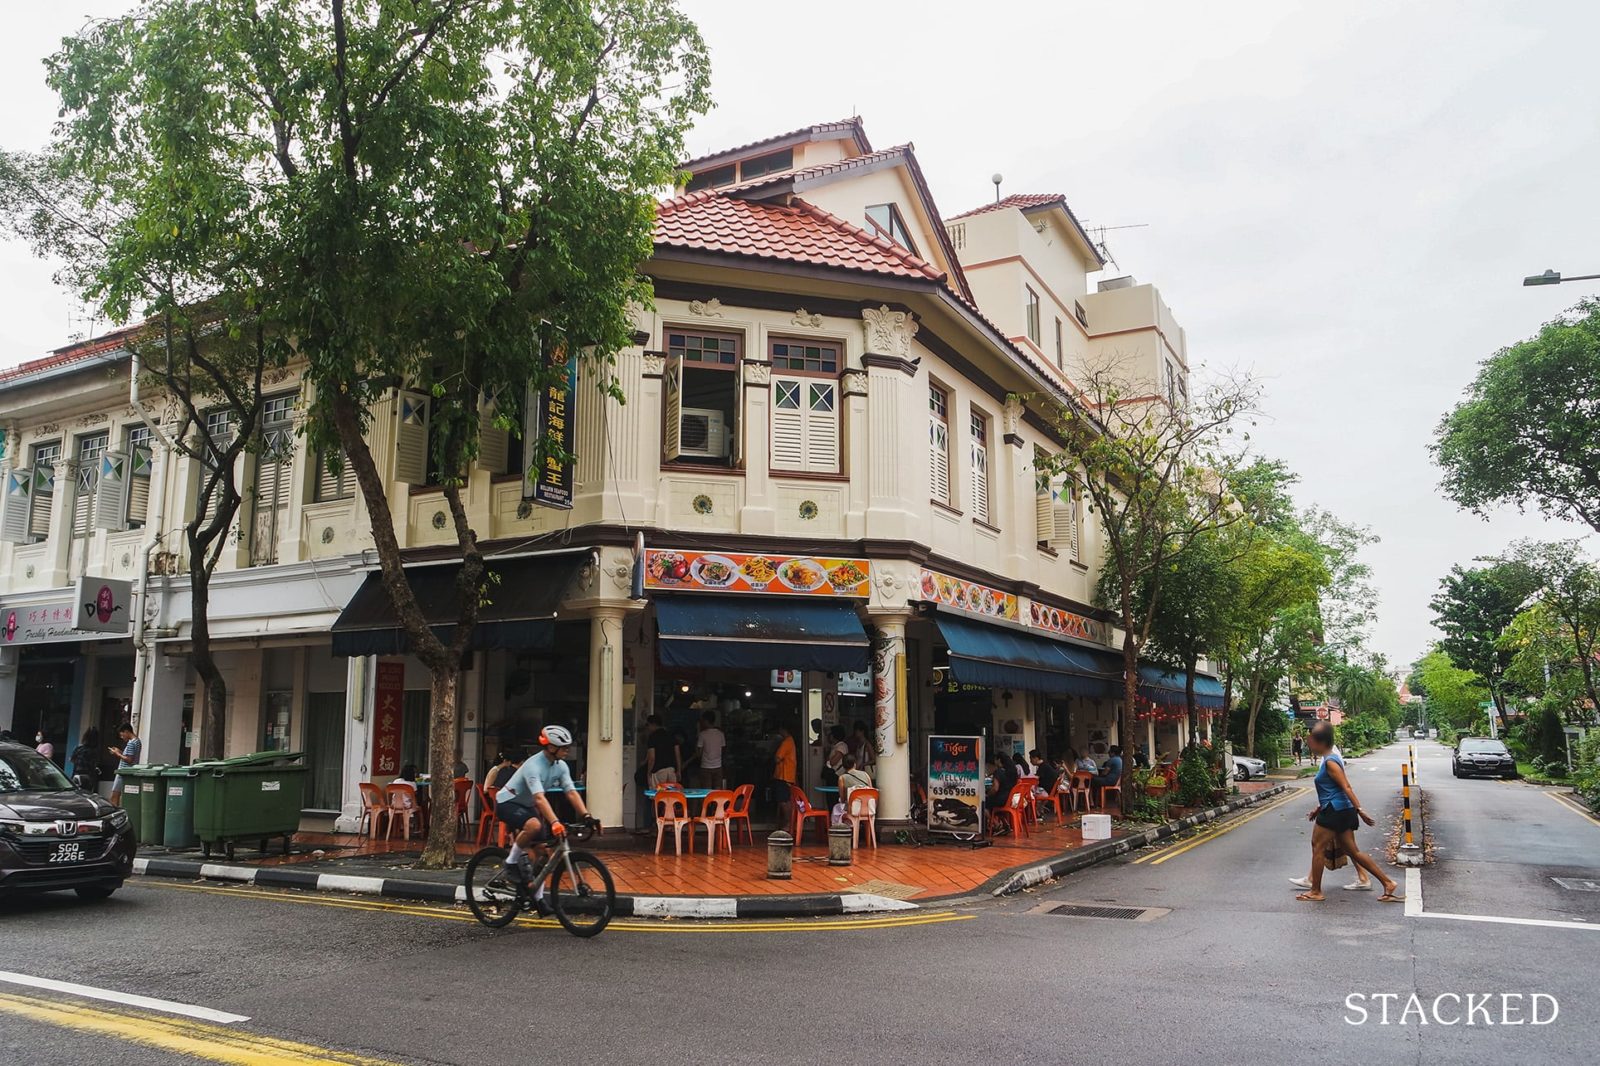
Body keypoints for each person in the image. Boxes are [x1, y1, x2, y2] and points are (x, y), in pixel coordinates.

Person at [1292, 722, 1401, 904]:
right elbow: (1333, 789)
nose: (1309, 745)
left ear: (1322, 743)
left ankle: (1316, 891)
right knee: (1353, 852)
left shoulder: (1331, 762)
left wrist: (1360, 809)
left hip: (1335, 811)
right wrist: (1318, 809)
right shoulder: (1330, 759)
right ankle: (1388, 883)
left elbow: (1346, 786)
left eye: (1312, 741)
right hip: (1340, 809)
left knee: (1317, 847)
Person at [493, 725, 594, 915]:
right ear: (551, 747)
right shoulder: (533, 765)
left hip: (527, 805)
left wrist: (587, 815)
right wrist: (555, 822)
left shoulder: (560, 766)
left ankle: (537, 899)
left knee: (543, 852)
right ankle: (511, 862)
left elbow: (571, 792)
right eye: (563, 747)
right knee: (534, 824)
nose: (567, 751)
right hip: (507, 802)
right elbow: (540, 798)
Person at [109, 722, 142, 807]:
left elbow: (129, 759)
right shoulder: (137, 741)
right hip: (130, 771)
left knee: (114, 797)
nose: (122, 737)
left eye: (122, 735)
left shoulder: (131, 743)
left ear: (127, 731)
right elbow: (130, 756)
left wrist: (117, 754)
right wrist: (119, 751)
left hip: (123, 772)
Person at [771, 724, 798, 827]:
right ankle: (790, 823)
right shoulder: (791, 741)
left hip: (784, 775)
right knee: (786, 800)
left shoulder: (786, 742)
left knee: (784, 801)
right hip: (787, 775)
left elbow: (777, 758)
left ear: (783, 729)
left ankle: (789, 823)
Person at [645, 714, 681, 786]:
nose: (647, 727)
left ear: (653, 724)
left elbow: (652, 758)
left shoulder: (652, 737)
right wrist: (679, 771)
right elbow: (678, 754)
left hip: (658, 772)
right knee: (671, 795)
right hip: (671, 771)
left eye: (648, 725)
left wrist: (648, 773)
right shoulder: (671, 735)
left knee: (658, 795)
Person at [695, 712, 726, 790]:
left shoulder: (702, 734)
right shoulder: (721, 734)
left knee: (707, 791)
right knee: (717, 790)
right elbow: (723, 749)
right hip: (718, 766)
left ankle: (708, 802)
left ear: (706, 721)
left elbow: (699, 753)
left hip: (706, 766)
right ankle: (717, 802)